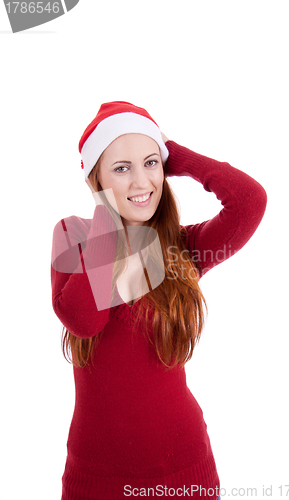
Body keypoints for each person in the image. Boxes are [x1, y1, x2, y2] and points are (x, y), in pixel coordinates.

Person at [51, 101, 267, 500]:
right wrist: (110, 217)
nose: (141, 181)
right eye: (121, 168)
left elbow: (249, 202)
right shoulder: (76, 234)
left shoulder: (180, 249)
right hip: (97, 479)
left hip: (185, 470)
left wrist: (176, 156)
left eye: (151, 164)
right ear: (94, 177)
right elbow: (84, 320)